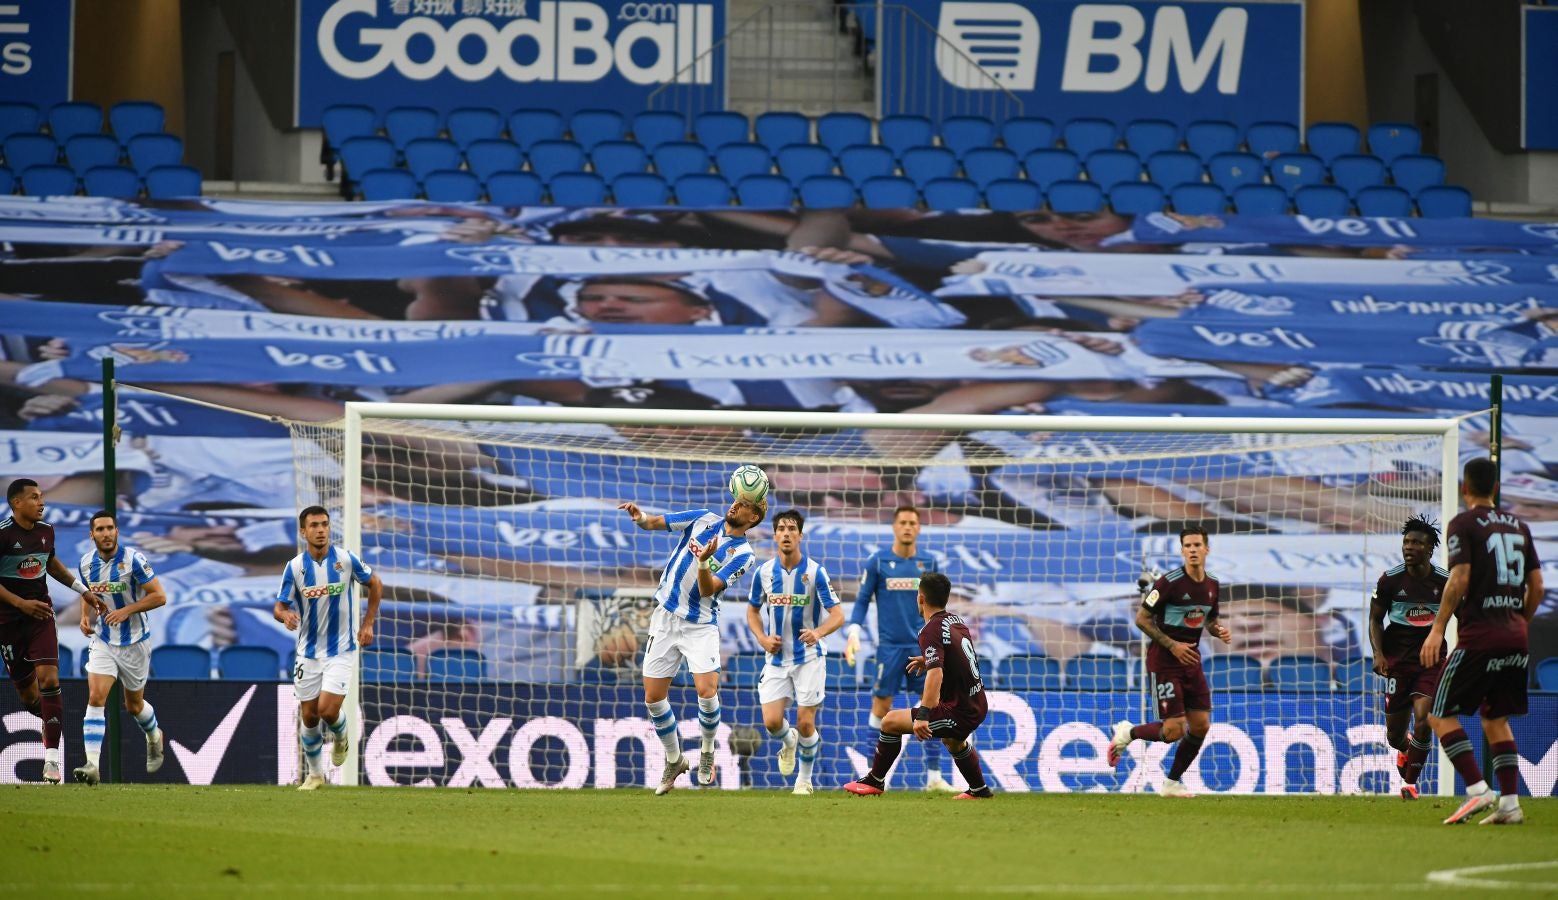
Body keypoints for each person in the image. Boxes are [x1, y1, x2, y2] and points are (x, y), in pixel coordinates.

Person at [1422, 457, 1542, 825]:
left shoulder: (1464, 523)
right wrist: (1518, 621)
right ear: (1495, 487)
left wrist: (1438, 627)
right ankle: (1510, 804)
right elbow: (1537, 586)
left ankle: (1478, 790)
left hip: (1479, 636)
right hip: (1515, 636)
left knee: (1438, 715)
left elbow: (1459, 578)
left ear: (1465, 488)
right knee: (1495, 719)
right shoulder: (1519, 526)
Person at [619, 492, 762, 794]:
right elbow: (657, 523)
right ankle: (674, 759)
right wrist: (641, 517)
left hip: (700, 626)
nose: (735, 505)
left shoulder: (744, 555)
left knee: (706, 692)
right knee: (653, 698)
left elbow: (708, 589)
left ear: (753, 518)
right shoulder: (703, 518)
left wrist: (703, 562)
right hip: (665, 617)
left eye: (745, 505)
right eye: (736, 500)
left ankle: (707, 751)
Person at [843, 572, 993, 799]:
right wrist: (929, 659)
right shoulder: (956, 621)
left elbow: (935, 676)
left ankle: (875, 780)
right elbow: (958, 652)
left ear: (920, 598)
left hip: (959, 710)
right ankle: (979, 790)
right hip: (978, 701)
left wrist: (923, 715)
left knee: (890, 721)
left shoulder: (928, 630)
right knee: (954, 742)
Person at [1106, 526, 1232, 796]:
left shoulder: (1212, 585)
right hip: (1165, 661)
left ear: (1206, 549)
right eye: (1188, 546)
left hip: (1192, 661)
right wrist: (1173, 645)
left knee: (1201, 725)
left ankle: (1172, 783)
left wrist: (1217, 630)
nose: (1193, 550)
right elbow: (1141, 619)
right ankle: (1129, 732)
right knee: (1174, 730)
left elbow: (1209, 619)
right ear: (1182, 550)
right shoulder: (1169, 582)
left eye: (1197, 545)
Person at [0, 478, 105, 783]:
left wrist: (82, 590)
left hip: (40, 616)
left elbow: (51, 563)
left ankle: (51, 761)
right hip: (8, 623)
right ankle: (50, 718)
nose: (41, 502)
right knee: (30, 696)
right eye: (34, 497)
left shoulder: (46, 532)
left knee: (49, 678)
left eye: (42, 496)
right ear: (16, 503)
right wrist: (20, 603)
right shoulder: (4, 535)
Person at [844, 505, 954, 791]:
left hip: (923, 646)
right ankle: (875, 774)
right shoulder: (878, 562)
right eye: (902, 522)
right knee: (881, 707)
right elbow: (862, 599)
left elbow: (940, 606)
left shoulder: (928, 562)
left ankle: (933, 777)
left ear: (918, 528)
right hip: (890, 649)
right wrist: (854, 629)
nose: (907, 527)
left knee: (933, 707)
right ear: (894, 527)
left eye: (912, 522)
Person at [273, 505, 383, 791]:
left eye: (324, 524)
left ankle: (342, 735)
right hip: (307, 652)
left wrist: (368, 624)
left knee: (327, 710)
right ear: (303, 531)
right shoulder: (295, 567)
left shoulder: (345, 560)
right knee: (308, 716)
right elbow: (279, 606)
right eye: (314, 525)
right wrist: (285, 615)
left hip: (341, 650)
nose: (321, 530)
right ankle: (315, 775)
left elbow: (375, 584)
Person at [745, 509, 843, 795]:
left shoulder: (815, 573)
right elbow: (752, 611)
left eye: (792, 529)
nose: (786, 533)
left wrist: (818, 633)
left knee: (805, 721)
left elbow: (837, 615)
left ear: (800, 535)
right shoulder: (764, 573)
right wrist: (762, 638)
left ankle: (804, 781)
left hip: (808, 659)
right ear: (775, 535)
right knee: (773, 723)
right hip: (776, 659)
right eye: (781, 529)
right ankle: (788, 743)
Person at [71, 511, 168, 785]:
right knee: (96, 697)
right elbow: (88, 592)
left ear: (117, 531)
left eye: (110, 528)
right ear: (92, 535)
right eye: (100, 529)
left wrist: (127, 611)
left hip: (135, 641)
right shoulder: (86, 564)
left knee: (133, 705)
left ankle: (154, 736)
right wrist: (85, 615)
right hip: (103, 639)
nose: (106, 533)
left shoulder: (133, 560)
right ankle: (92, 765)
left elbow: (159, 596)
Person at [1367, 515, 1448, 801]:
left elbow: (1465, 619)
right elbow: (1375, 620)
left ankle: (1410, 784)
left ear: (1429, 549)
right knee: (1394, 736)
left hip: (1431, 660)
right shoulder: (1390, 581)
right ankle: (1406, 748)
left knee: (1424, 719)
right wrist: (1378, 654)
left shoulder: (1444, 583)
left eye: (1416, 543)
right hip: (1396, 662)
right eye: (1406, 542)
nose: (1409, 547)